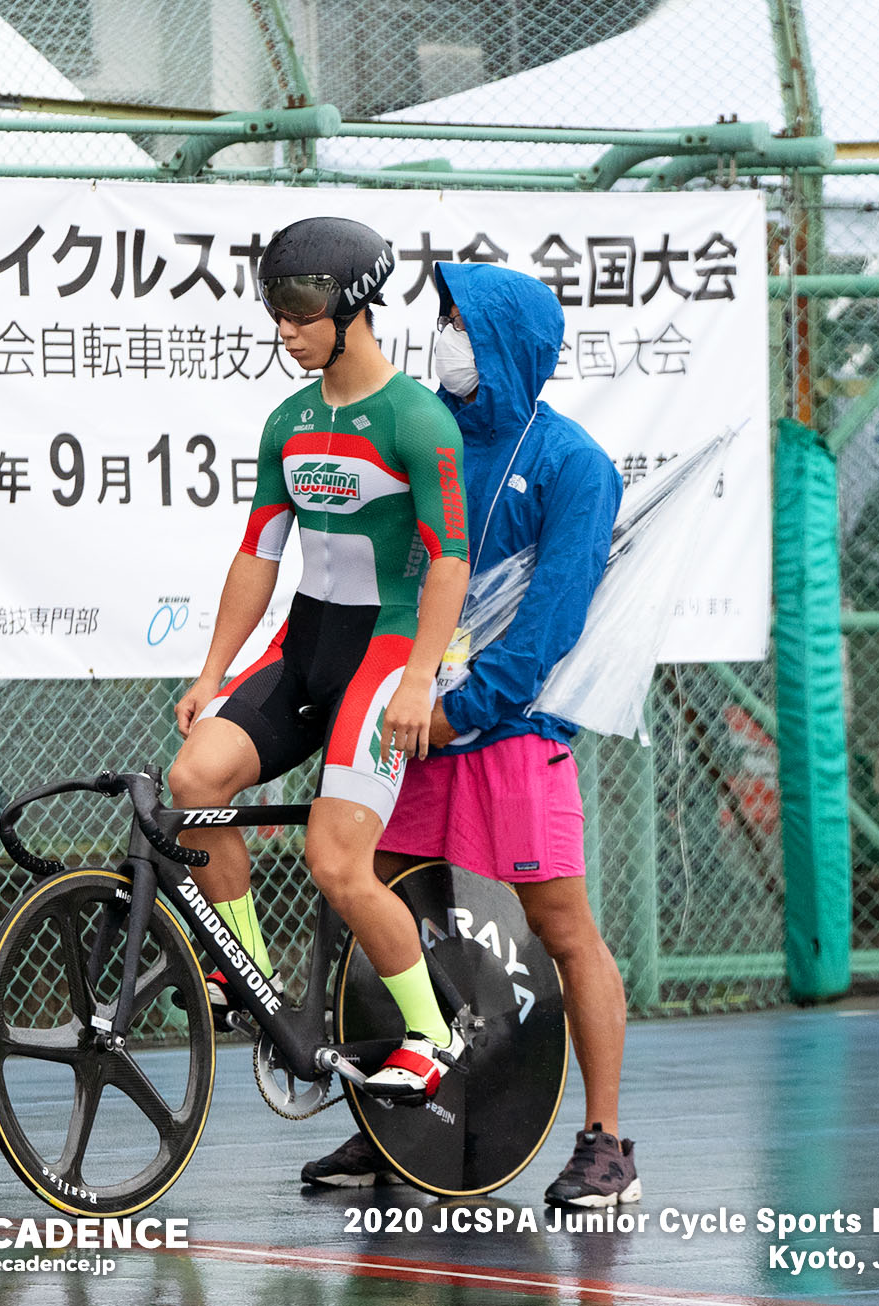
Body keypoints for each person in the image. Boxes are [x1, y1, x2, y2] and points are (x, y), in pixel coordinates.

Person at [300, 261, 635, 1209]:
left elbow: (552, 623)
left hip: (510, 733)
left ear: (506, 343)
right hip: (411, 722)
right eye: (441, 318)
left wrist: (459, 709)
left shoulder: (575, 465)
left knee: (563, 928)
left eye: (458, 321)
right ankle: (386, 1128)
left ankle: (608, 1142)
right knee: (388, 912)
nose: (442, 336)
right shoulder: (431, 442)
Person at [170, 216, 471, 1102]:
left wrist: (419, 679)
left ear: (354, 308)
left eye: (300, 309)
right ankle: (251, 980)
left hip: (383, 651)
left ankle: (432, 1028)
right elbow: (259, 553)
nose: (284, 329)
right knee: (193, 782)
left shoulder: (418, 419)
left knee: (336, 861)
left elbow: (450, 559)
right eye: (275, 309)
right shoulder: (289, 421)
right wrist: (213, 674)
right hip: (306, 644)